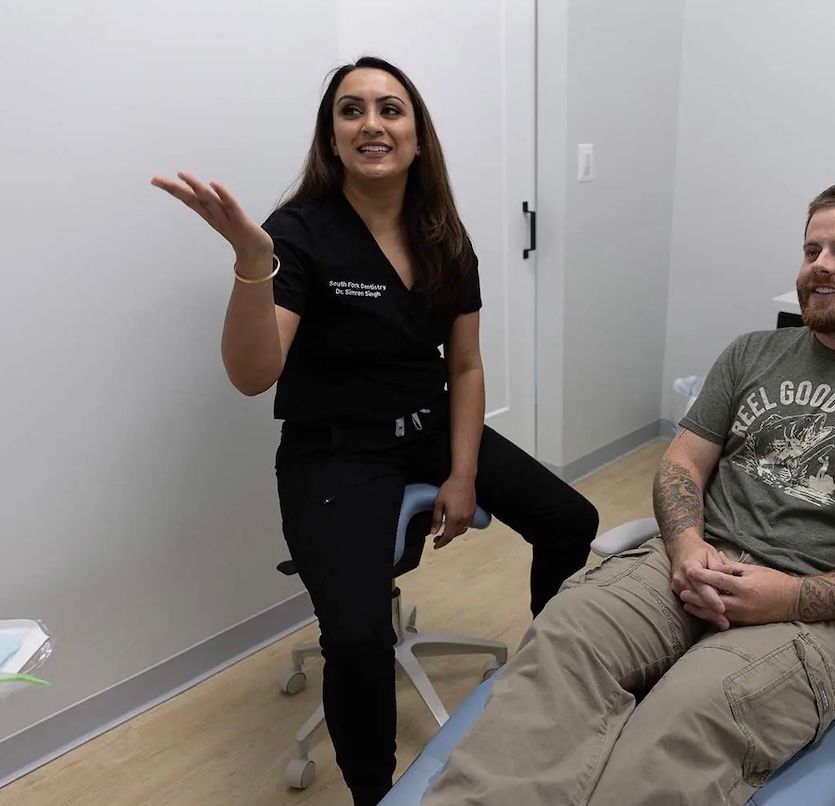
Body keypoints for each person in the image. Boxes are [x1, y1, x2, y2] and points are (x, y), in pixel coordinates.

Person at [422, 178, 835, 805]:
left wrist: (788, 596)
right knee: (566, 637)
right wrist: (687, 546)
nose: (820, 265)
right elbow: (682, 465)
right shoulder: (753, 354)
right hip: (688, 567)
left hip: (812, 614)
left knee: (688, 715)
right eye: (811, 250)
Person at [151, 56, 598, 805]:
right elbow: (253, 374)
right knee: (357, 639)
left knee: (570, 519)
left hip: (427, 428)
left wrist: (461, 473)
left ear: (417, 136)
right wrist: (252, 264)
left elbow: (464, 370)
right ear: (331, 139)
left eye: (390, 109)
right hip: (337, 453)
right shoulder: (297, 235)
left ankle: (543, 688)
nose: (372, 124)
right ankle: (375, 794)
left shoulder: (444, 237)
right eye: (351, 111)